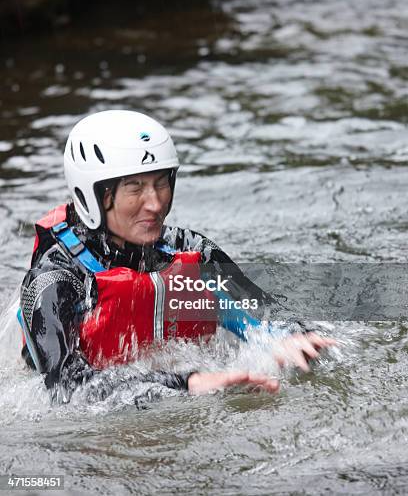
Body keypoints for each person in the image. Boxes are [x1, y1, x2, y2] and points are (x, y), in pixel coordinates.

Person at [18, 110, 335, 404]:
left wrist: (288, 336)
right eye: (135, 188)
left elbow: (257, 306)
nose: (155, 204)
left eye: (161, 183)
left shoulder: (186, 248)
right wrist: (188, 384)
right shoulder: (54, 280)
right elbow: (67, 391)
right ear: (94, 195)